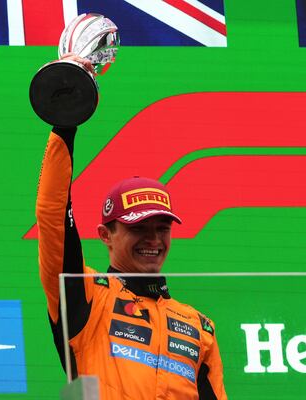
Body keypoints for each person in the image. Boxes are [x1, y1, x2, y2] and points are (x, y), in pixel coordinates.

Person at [36, 55, 227, 400]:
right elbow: (52, 219)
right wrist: (65, 125)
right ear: (106, 235)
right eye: (139, 228)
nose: (153, 239)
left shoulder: (200, 328)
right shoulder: (86, 298)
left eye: (162, 227)